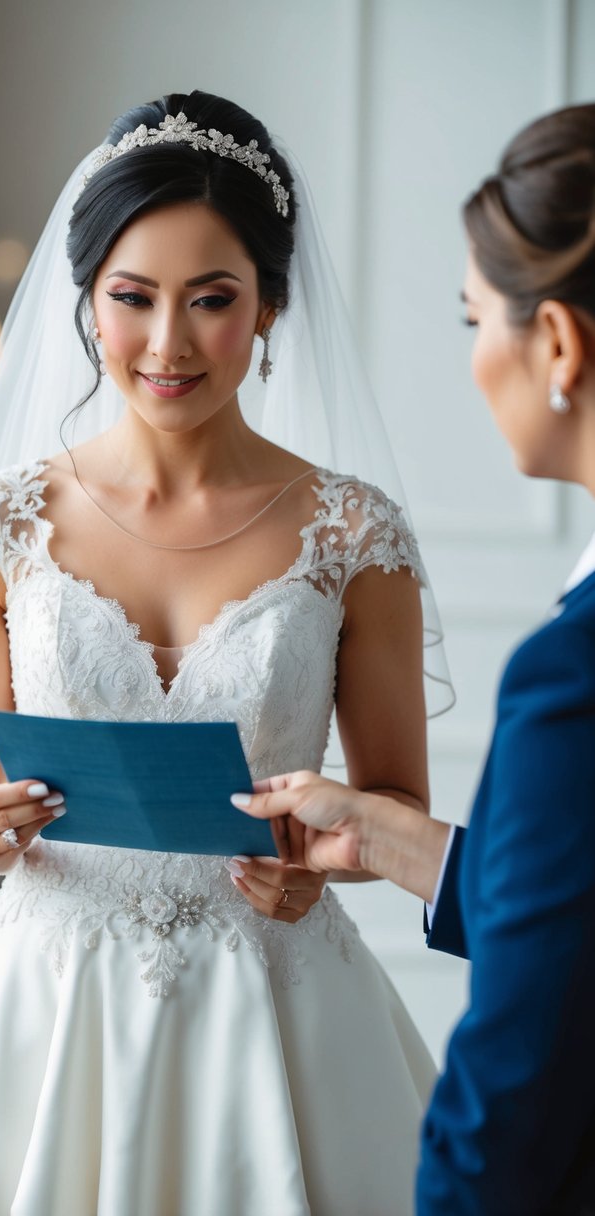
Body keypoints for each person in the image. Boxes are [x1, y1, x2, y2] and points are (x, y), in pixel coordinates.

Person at [0, 91, 453, 1216]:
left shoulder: (355, 532)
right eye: (132, 298)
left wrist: (316, 863)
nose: (167, 343)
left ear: (267, 308)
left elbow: (394, 803)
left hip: (277, 999)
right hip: (46, 999)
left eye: (212, 299)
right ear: (87, 303)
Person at [235, 102, 595, 1216]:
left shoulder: (571, 675)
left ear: (559, 347)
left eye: (472, 315)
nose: (473, 355)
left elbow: (517, 1086)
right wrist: (416, 849)